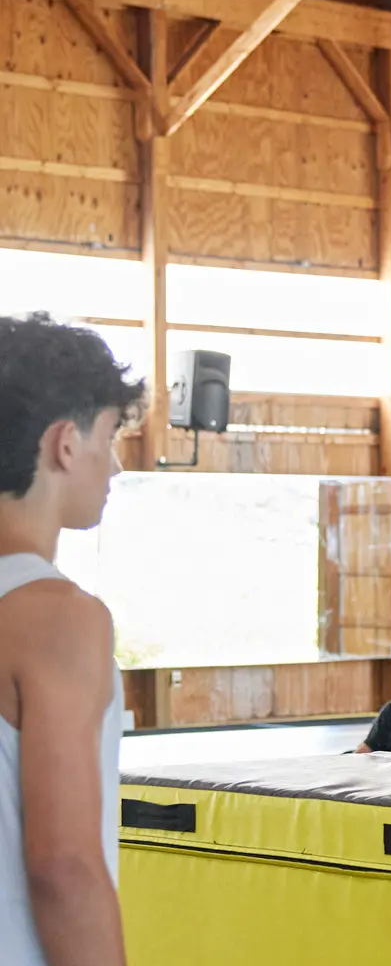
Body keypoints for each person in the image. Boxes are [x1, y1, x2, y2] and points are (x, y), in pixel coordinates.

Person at [0, 313, 141, 966]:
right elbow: (64, 869)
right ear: (63, 444)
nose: (113, 466)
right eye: (110, 435)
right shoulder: (59, 618)